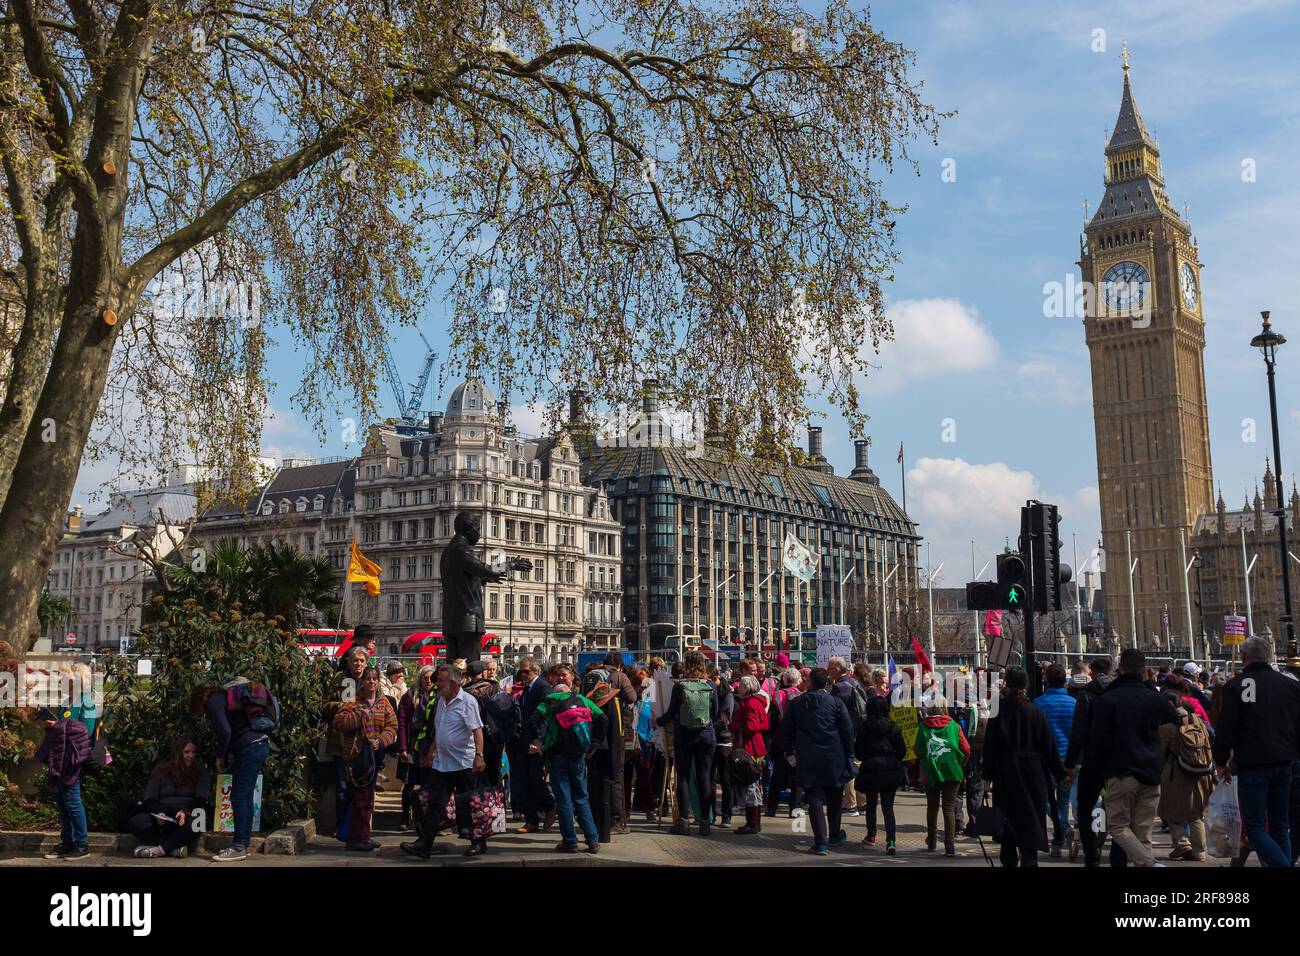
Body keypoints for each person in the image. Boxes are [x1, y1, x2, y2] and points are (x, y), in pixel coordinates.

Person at [1213, 636, 1300, 867]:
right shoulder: (1289, 685)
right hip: (1284, 762)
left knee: (1255, 828)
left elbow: (1226, 728)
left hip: (1253, 764)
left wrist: (1220, 761)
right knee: (1280, 825)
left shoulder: (1236, 685)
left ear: (1243, 658)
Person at [1090, 648, 1179, 867]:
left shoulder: (1108, 699)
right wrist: (1150, 685)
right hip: (1150, 771)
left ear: (1120, 668)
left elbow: (1098, 740)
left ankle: (1150, 864)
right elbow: (1173, 717)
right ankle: (1148, 865)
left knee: (1118, 826)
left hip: (1121, 772)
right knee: (1143, 833)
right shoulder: (1153, 698)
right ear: (1144, 669)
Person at [401, 663, 489, 858]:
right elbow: (439, 732)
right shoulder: (441, 701)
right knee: (434, 804)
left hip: (463, 763)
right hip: (442, 763)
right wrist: (431, 752)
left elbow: (477, 730)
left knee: (468, 804)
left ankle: (478, 842)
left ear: (453, 682)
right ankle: (424, 844)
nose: (437, 684)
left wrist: (479, 756)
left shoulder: (467, 701)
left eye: (440, 681)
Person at [522, 663, 608, 854]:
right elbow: (603, 719)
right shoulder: (584, 700)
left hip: (556, 755)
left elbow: (533, 720)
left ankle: (570, 841)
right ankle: (592, 840)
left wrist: (538, 741)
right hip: (579, 755)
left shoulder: (550, 700)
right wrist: (594, 744)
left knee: (563, 799)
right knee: (582, 798)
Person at [983, 667, 1063, 867]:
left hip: (1006, 773)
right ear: (1025, 684)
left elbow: (990, 746)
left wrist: (987, 777)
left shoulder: (997, 710)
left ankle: (1008, 859)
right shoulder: (1034, 711)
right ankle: (1029, 860)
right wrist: (1061, 774)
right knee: (1031, 822)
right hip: (1032, 773)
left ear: (1007, 684)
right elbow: (1048, 747)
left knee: (1007, 823)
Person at [197, 678, 276, 862]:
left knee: (239, 795)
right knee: (246, 795)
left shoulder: (214, 701)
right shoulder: (225, 698)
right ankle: (243, 844)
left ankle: (239, 846)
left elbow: (225, 731)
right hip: (260, 744)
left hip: (249, 748)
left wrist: (219, 756)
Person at [782, 667, 855, 855]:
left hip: (808, 756)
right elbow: (847, 731)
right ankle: (835, 834)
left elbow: (786, 731)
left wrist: (789, 753)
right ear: (827, 683)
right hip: (834, 755)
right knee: (834, 797)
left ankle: (821, 841)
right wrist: (849, 755)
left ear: (810, 682)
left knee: (814, 798)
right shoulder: (836, 703)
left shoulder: (797, 704)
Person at [656, 651, 720, 836]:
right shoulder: (710, 686)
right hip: (706, 735)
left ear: (686, 665)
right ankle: (705, 822)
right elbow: (714, 712)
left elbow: (671, 713)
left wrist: (658, 722)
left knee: (682, 777)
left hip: (684, 735)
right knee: (705, 777)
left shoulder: (681, 686)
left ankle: (683, 822)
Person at [1063, 656, 1117, 866]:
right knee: (1112, 806)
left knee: (1085, 807)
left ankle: (1092, 854)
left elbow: (1078, 733)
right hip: (1115, 760)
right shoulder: (1117, 693)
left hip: (1090, 760)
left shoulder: (1086, 696)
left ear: (1092, 673)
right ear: (1111, 671)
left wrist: (1069, 763)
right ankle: (1112, 852)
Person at [339, 667, 397, 852]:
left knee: (368, 798)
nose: (371, 682)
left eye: (374, 678)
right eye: (368, 678)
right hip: (357, 756)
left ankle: (363, 836)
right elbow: (339, 722)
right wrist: (359, 716)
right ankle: (355, 838)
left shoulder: (384, 702)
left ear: (379, 681)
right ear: (362, 681)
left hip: (375, 756)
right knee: (360, 798)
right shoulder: (353, 700)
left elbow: (392, 725)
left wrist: (380, 741)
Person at [440, 511, 507, 664]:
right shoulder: (462, 549)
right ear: (469, 528)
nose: (478, 534)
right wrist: (511, 564)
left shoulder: (447, 552)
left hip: (450, 621)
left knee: (453, 668)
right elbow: (486, 569)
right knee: (470, 667)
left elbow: (463, 580)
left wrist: (484, 578)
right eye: (478, 529)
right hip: (468, 620)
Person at [128, 735, 210, 858]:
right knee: (136, 821)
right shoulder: (161, 769)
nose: (190, 756)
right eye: (186, 752)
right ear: (178, 753)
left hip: (185, 815)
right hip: (164, 814)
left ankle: (160, 850)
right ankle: (173, 849)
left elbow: (201, 798)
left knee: (199, 821)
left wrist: (185, 811)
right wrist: (158, 813)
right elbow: (150, 798)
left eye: (193, 752)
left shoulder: (200, 770)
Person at [1157, 690, 1215, 862]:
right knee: (1196, 814)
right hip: (1201, 771)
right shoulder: (1198, 721)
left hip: (1176, 773)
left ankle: (1182, 843)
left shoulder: (1167, 726)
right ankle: (1200, 852)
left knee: (1170, 809)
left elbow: (1160, 753)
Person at [915, 698, 970, 856]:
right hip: (952, 770)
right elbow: (966, 749)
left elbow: (917, 750)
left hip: (930, 771)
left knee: (932, 808)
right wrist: (961, 763)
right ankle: (950, 846)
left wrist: (926, 759)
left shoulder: (924, 726)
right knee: (949, 808)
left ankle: (932, 841)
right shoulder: (954, 726)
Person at [36, 707, 91, 860]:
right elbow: (61, 729)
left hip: (72, 761)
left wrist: (57, 725)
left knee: (73, 803)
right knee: (62, 803)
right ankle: (67, 842)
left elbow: (86, 730)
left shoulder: (87, 703)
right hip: (59, 759)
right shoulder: (66, 703)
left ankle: (82, 844)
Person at [326, 645, 370, 838]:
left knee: (362, 787)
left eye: (361, 661)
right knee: (343, 787)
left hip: (364, 742)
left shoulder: (372, 680)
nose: (358, 664)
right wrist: (342, 706)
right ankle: (341, 825)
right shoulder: (340, 680)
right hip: (341, 741)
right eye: (355, 660)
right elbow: (325, 705)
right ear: (349, 662)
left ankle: (359, 827)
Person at [1033, 663, 1077, 857]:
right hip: (1069, 759)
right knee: (1063, 800)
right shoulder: (1074, 704)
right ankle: (1059, 840)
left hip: (1046, 760)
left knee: (1042, 799)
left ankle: (1063, 830)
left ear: (1046, 681)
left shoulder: (1039, 704)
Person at [854, 693, 906, 854]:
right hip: (890, 767)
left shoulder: (864, 726)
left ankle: (871, 835)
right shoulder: (894, 726)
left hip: (871, 767)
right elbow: (902, 751)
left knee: (871, 804)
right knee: (888, 807)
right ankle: (891, 841)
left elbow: (859, 753)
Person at [511, 656, 556, 832]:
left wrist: (539, 740)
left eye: (526, 671)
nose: (522, 674)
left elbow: (546, 716)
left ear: (535, 671)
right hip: (525, 740)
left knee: (534, 779)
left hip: (537, 742)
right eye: (520, 671)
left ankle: (549, 805)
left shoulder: (542, 687)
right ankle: (532, 820)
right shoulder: (528, 688)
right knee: (525, 780)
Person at [396, 664, 435, 830]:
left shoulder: (438, 696)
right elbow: (402, 722)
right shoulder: (410, 696)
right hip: (412, 746)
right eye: (425, 678)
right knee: (409, 784)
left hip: (430, 747)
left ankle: (425, 819)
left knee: (428, 785)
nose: (428, 681)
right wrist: (402, 747)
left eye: (431, 678)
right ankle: (405, 817)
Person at [730, 675, 769, 834]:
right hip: (755, 746)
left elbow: (751, 727)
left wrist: (734, 725)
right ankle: (754, 822)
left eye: (741, 686)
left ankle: (752, 823)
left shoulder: (750, 703)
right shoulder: (757, 702)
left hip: (750, 747)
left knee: (750, 785)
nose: (738, 688)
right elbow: (764, 724)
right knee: (753, 785)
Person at [828, 656, 867, 816]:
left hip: (846, 731)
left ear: (837, 670)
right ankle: (862, 802)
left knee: (848, 765)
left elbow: (836, 711)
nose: (828, 671)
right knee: (857, 764)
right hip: (858, 730)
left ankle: (850, 805)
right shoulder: (855, 683)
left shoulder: (839, 687)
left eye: (830, 668)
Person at [709, 664, 736, 828]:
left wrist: (708, 726)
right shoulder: (710, 692)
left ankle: (727, 815)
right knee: (709, 779)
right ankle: (710, 813)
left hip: (724, 742)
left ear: (715, 679)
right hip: (711, 740)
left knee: (726, 781)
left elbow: (725, 721)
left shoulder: (727, 694)